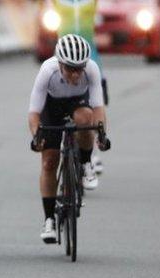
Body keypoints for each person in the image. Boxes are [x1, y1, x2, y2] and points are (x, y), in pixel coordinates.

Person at [27, 34, 110, 243]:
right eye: (70, 69)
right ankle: (49, 220)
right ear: (61, 64)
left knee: (86, 118)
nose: (75, 74)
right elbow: (34, 113)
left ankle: (85, 162)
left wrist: (101, 134)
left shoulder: (91, 68)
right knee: (49, 161)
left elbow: (99, 108)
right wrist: (37, 136)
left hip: (78, 102)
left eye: (79, 68)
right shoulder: (48, 70)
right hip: (51, 106)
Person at [51, 0, 108, 173]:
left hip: (90, 61)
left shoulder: (90, 2)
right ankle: (64, 147)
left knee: (92, 110)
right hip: (63, 63)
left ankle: (93, 153)